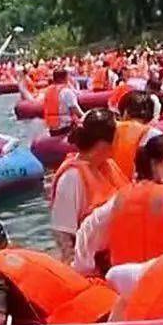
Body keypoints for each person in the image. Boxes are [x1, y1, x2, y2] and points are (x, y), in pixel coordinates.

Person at [74, 133, 163, 274]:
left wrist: (85, 270)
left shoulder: (119, 200)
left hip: (126, 288)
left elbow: (86, 231)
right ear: (155, 165)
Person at [49, 108, 128, 263]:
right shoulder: (72, 177)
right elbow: (64, 236)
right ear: (103, 144)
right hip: (94, 264)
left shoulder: (109, 165)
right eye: (117, 137)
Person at [42, 68, 83, 137]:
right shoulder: (66, 91)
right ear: (65, 77)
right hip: (65, 128)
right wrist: (85, 117)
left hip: (52, 129)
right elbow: (75, 110)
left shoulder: (47, 91)